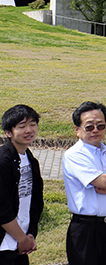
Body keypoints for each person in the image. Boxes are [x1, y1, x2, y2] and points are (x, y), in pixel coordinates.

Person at [62, 101, 106, 265]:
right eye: (89, 127)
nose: (96, 130)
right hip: (85, 229)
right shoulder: (74, 155)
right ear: (77, 130)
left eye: (101, 126)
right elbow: (103, 181)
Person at [0, 105, 43, 265]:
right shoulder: (3, 161)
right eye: (22, 126)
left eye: (32, 124)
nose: (29, 130)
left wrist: (30, 234)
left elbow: (36, 202)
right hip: (4, 246)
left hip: (21, 244)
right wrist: (21, 238)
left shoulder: (31, 161)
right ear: (8, 132)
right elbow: (2, 208)